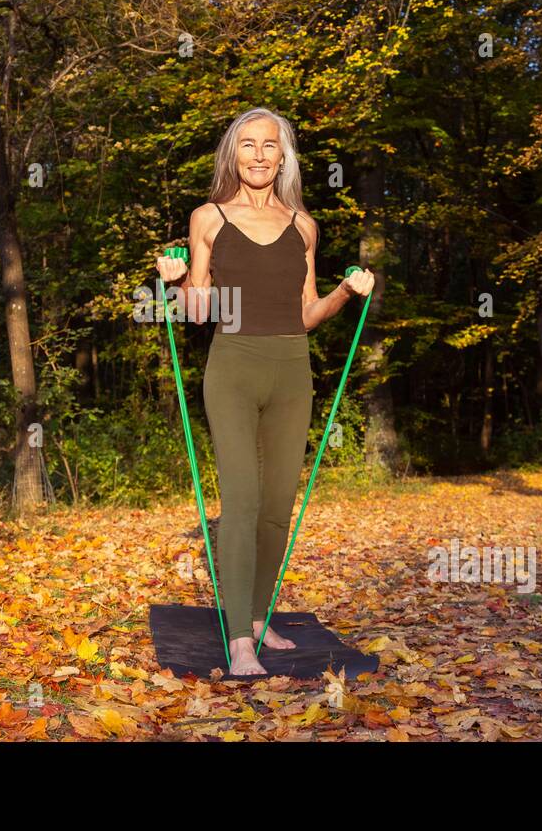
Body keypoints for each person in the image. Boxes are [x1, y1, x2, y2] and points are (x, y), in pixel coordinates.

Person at [155, 107, 374, 675]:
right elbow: (199, 311)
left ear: (283, 156)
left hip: (291, 367)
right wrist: (177, 284)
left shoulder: (303, 225)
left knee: (277, 508)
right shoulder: (208, 217)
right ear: (234, 154)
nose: (257, 154)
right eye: (247, 144)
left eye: (268, 146)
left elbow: (305, 313)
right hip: (233, 364)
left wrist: (347, 291)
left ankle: (257, 618)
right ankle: (239, 642)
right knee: (244, 501)